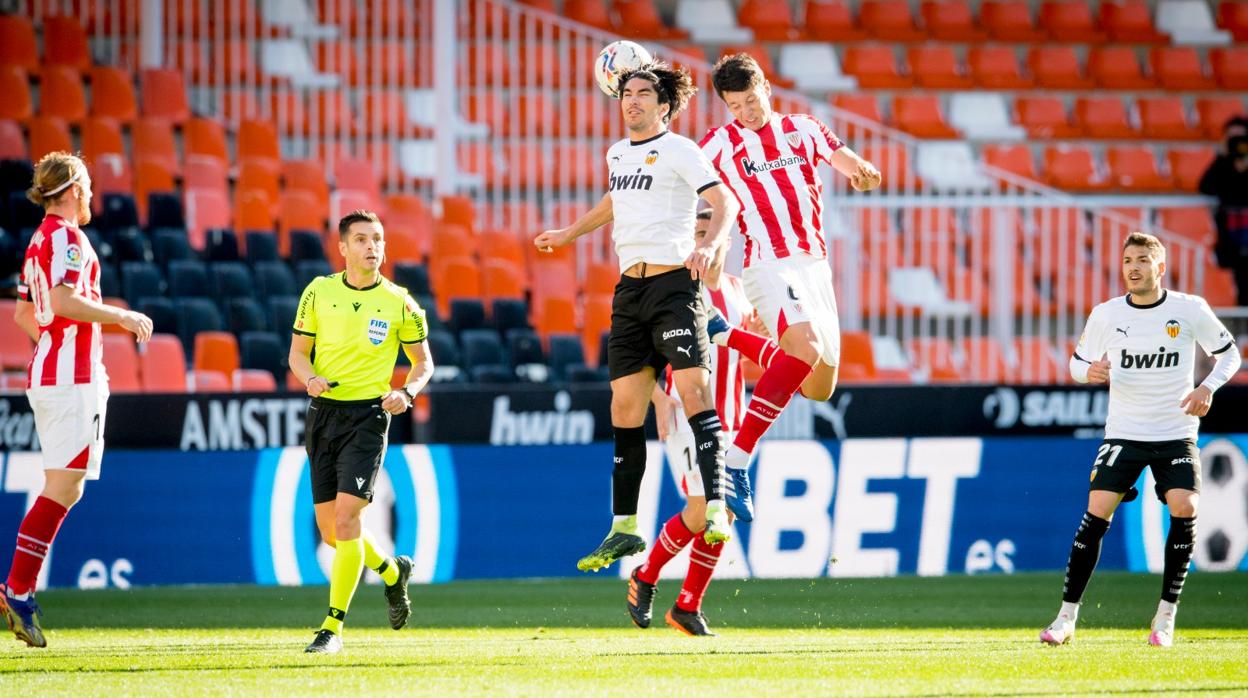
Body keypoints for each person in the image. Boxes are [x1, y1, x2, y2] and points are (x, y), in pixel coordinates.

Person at [534, 61, 741, 573]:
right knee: (625, 407)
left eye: (644, 93)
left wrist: (709, 246)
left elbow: (724, 200)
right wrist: (567, 234)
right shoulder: (616, 154)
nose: (632, 100)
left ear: (664, 105)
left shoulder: (679, 149)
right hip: (630, 290)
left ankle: (716, 505)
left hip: (675, 286)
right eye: (627, 92)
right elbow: (614, 200)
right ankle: (624, 528)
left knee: (693, 391)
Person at [697, 53, 882, 523]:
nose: (746, 112)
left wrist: (862, 170)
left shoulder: (804, 129)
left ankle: (726, 334)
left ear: (766, 88)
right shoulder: (718, 145)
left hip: (815, 270)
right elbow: (683, 186)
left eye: (751, 100)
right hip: (767, 265)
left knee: (820, 385)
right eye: (735, 106)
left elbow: (846, 160)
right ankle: (734, 462)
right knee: (805, 346)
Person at [1041, 232, 1240, 648]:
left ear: (1160, 268)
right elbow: (1076, 365)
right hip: (1125, 432)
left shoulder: (1189, 309)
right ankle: (1065, 618)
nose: (1134, 267)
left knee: (1184, 505)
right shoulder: (1107, 314)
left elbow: (1231, 354)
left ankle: (1165, 617)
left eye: (1143, 260)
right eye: (1128, 259)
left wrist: (1207, 388)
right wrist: (1088, 372)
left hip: (1175, 431)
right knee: (1097, 511)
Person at [0, 152, 153, 648]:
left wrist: (52, 344)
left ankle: (19, 589)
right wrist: (121, 317)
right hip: (71, 379)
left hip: (55, 375)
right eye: (85, 184)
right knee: (64, 486)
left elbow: (26, 312)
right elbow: (63, 302)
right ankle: (18, 590)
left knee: (67, 486)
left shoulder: (38, 240)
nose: (90, 193)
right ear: (69, 189)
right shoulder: (67, 238)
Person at [290, 209, 434, 654]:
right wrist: (309, 377)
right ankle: (392, 573)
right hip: (324, 414)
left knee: (350, 521)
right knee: (333, 533)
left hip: (369, 417)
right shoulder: (318, 292)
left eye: (378, 239)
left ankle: (332, 628)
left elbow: (423, 363)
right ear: (343, 248)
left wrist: (407, 393)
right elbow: (297, 354)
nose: (373, 247)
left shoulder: (401, 303)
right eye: (362, 239)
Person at [628, 209, 758, 636]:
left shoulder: (740, 293)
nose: (701, 242)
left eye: (708, 233)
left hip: (733, 420)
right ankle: (647, 575)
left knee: (723, 517)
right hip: (688, 416)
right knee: (705, 510)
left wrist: (763, 340)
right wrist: (660, 400)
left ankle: (686, 605)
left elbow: (746, 367)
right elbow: (640, 355)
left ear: (726, 240)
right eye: (695, 233)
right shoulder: (677, 290)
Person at [1198, 115, 1248, 305]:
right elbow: (1205, 186)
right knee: (1239, 282)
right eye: (1232, 138)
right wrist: (1222, 156)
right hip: (1231, 236)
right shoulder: (1222, 165)